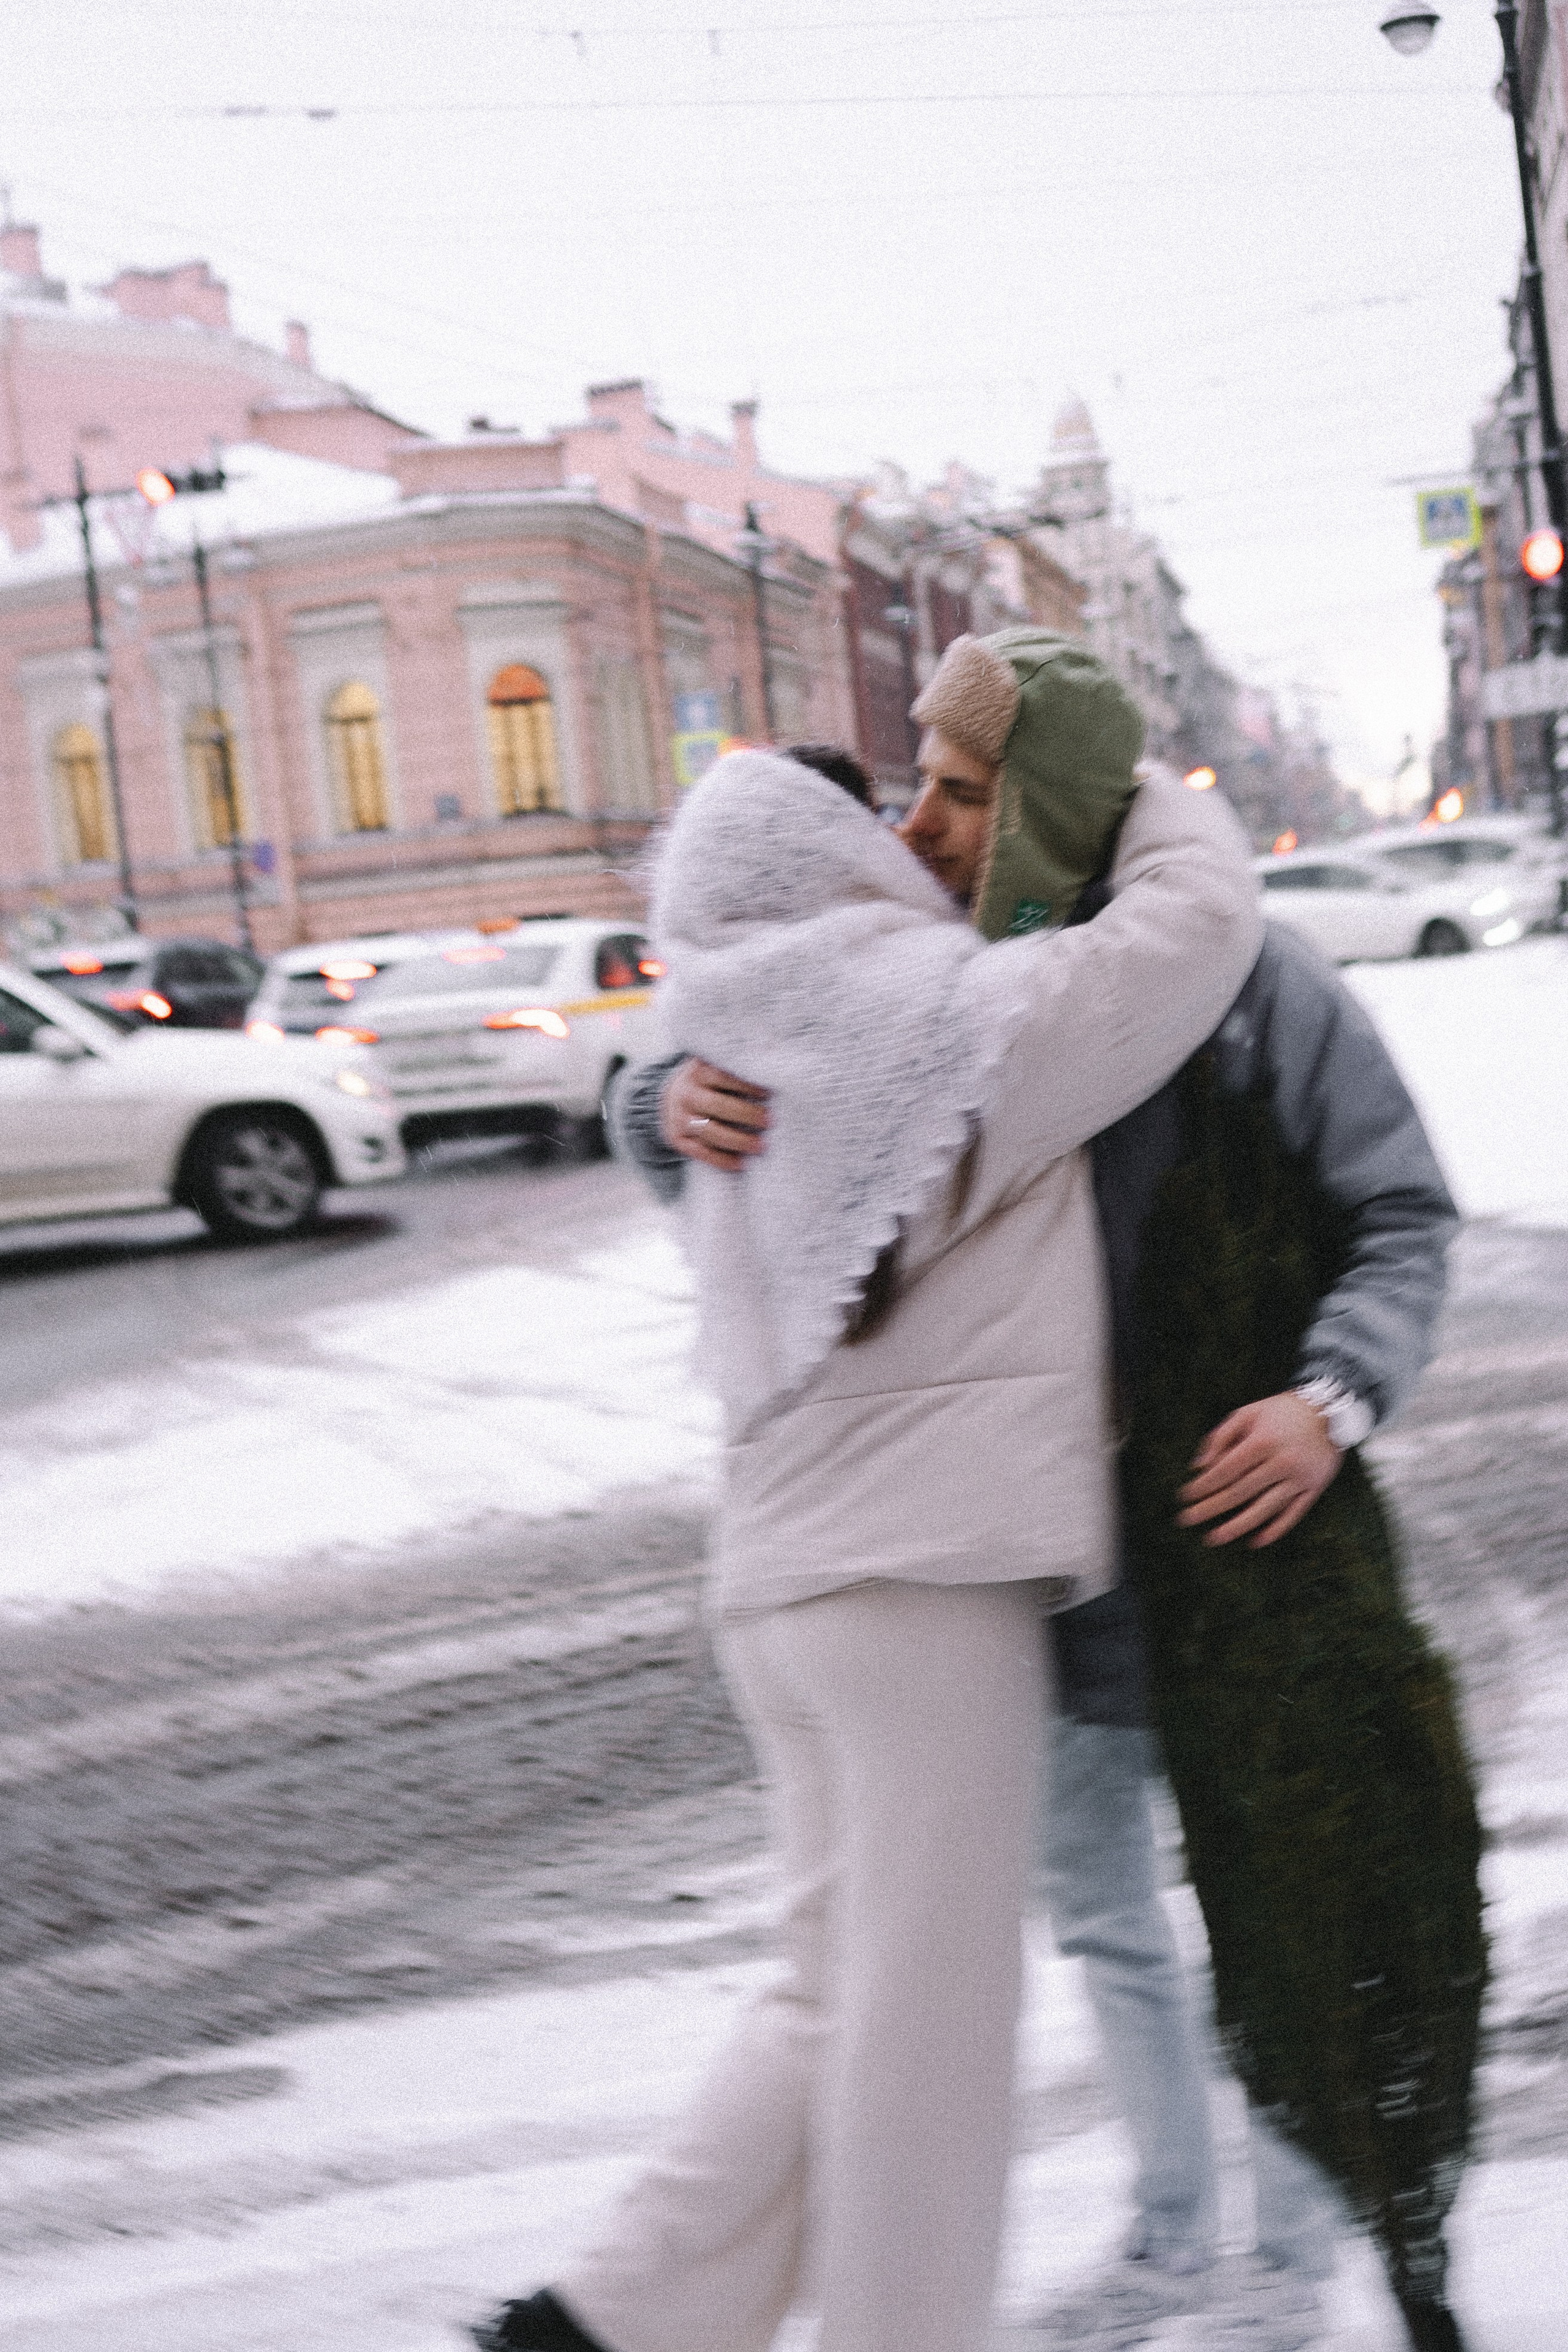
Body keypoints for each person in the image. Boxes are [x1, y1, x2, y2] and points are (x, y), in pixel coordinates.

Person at [621, 638, 1457, 2352]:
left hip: (1246, 1547)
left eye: (962, 791)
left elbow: (1402, 1210)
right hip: (1033, 1572)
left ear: (1054, 809)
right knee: (1097, 1917)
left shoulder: (1248, 981)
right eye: (918, 784)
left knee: (1279, 1902)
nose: (919, 825)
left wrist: (1327, 1401)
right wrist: (654, 1098)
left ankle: (1287, 2274)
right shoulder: (930, 974)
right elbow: (739, 1029)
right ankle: (1170, 2233)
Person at [469, 647, 1262, 2352]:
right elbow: (1189, 943)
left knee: (830, 1986)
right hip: (924, 1586)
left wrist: (649, 1103)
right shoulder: (951, 1016)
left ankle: (610, 2319)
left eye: (957, 795)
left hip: (779, 1582)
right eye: (894, 813)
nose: (919, 833)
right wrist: (1142, 795)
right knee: (928, 2027)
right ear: (834, 864)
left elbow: (647, 1106)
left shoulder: (722, 1014)